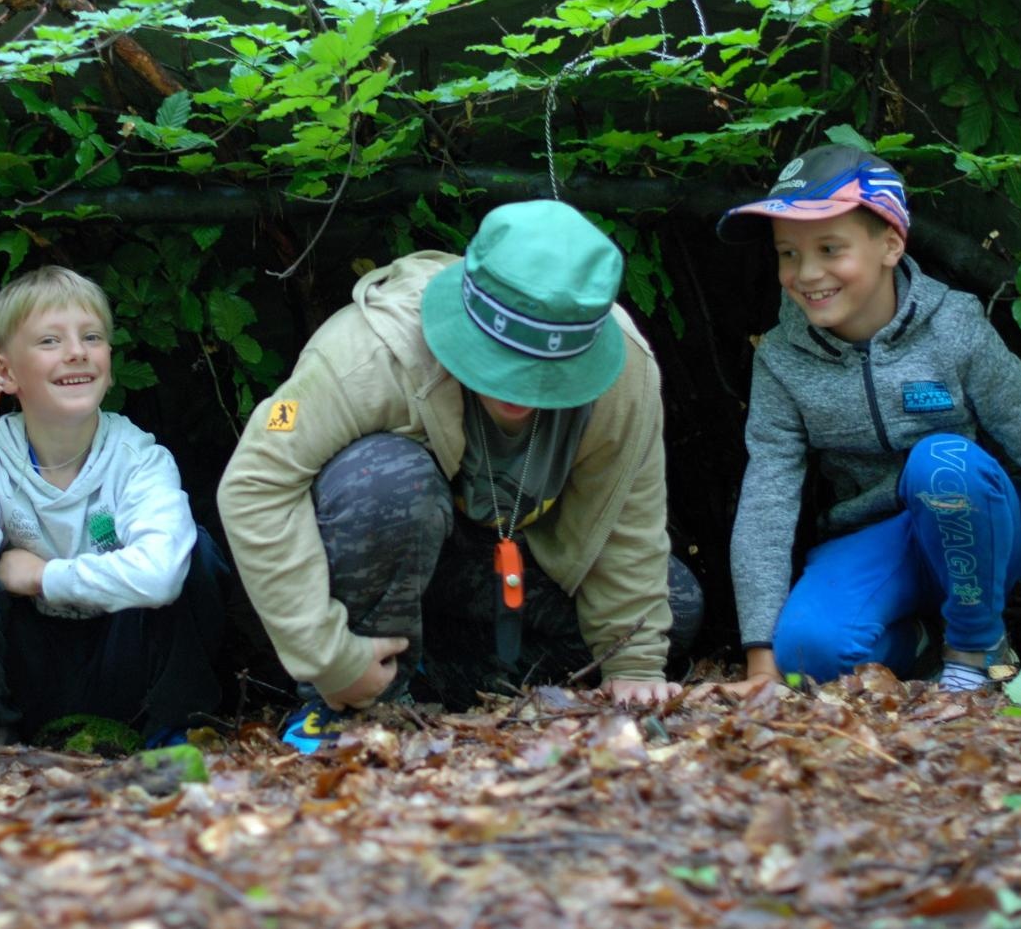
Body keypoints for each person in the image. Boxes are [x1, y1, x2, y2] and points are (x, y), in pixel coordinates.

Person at [217, 200, 703, 753]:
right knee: (386, 479)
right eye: (503, 360)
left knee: (676, 606)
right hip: (386, 569)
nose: (520, 389)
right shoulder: (369, 352)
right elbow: (256, 483)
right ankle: (353, 702)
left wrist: (634, 666)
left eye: (546, 372)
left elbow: (626, 515)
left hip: (506, 571)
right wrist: (329, 656)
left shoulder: (624, 370)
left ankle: (441, 688)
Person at [718, 143, 1021, 693]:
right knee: (806, 654)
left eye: (830, 248)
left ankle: (976, 652)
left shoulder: (955, 327)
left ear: (890, 244)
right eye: (788, 253)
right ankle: (931, 644)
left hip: (983, 522)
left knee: (940, 461)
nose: (806, 273)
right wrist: (762, 661)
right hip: (878, 542)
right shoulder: (782, 359)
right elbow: (768, 498)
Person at [0, 266, 230, 754]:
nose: (77, 351)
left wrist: (44, 577)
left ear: (109, 359)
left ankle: (173, 728)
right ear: (3, 371)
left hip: (127, 673)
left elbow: (162, 575)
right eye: (49, 341)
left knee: (195, 552)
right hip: (29, 678)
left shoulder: (139, 457)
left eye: (91, 337)